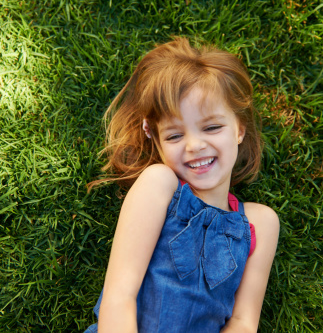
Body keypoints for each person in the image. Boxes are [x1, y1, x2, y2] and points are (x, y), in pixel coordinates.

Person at [85, 37, 279, 332]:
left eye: (212, 127)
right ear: (154, 135)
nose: (194, 145)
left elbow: (243, 322)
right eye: (175, 136)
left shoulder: (260, 223)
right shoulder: (159, 185)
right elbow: (118, 296)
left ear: (239, 128)